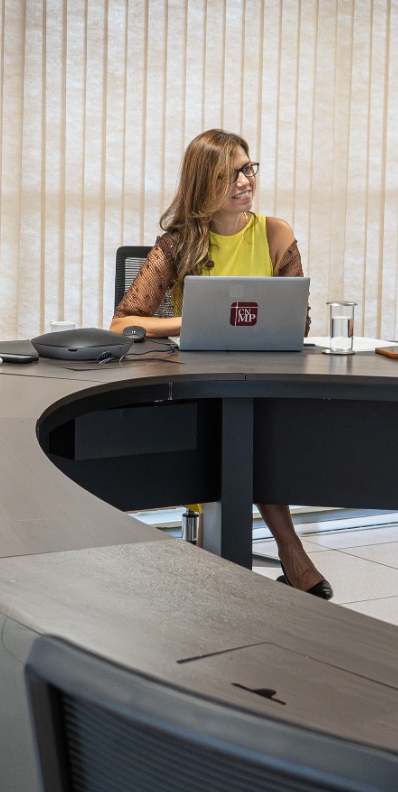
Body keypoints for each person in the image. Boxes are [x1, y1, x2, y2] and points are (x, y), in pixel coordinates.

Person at [111, 129, 330, 600]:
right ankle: (289, 553)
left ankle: (251, 558)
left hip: (264, 377)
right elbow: (122, 323)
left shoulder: (276, 233)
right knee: (238, 430)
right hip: (201, 380)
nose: (244, 181)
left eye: (248, 169)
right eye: (229, 174)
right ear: (202, 183)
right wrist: (190, 321)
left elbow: (300, 322)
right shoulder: (177, 245)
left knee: (255, 427)